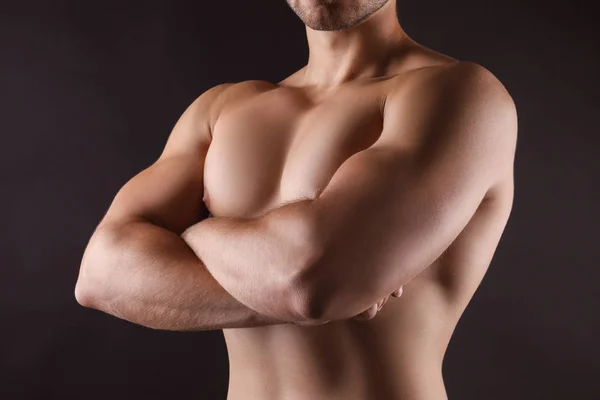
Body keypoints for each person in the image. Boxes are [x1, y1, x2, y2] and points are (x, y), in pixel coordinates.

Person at [74, 0, 518, 398]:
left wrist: (191, 232)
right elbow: (101, 271)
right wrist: (309, 286)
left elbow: (308, 280)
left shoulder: (460, 96)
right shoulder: (222, 110)